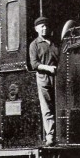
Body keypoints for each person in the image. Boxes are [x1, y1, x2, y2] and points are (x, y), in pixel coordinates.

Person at [29, 16, 59, 146]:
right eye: (41, 26)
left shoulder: (54, 43)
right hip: (43, 77)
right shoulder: (34, 45)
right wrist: (48, 68)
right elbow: (34, 64)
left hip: (57, 76)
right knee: (47, 107)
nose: (44, 28)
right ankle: (50, 134)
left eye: (46, 26)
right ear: (36, 29)